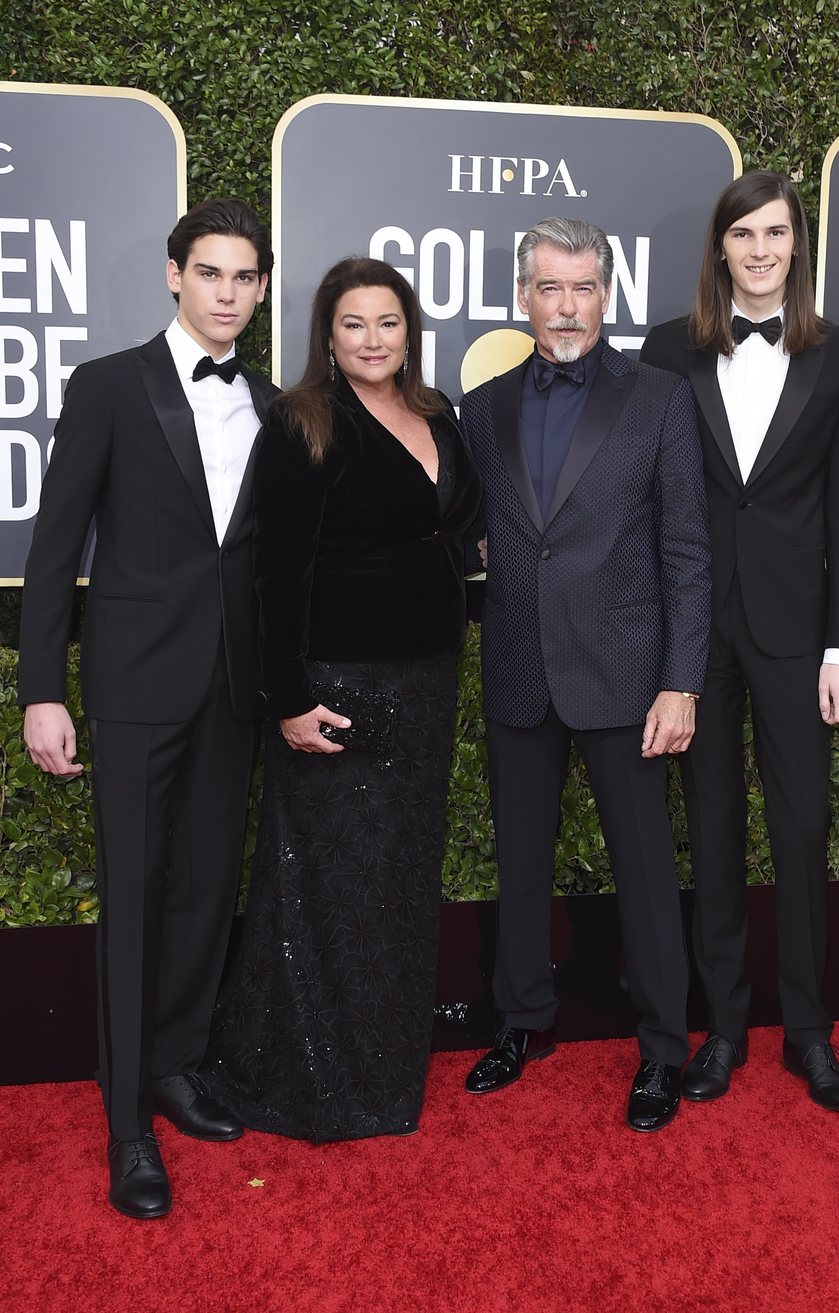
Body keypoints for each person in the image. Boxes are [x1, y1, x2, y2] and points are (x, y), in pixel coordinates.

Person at [18, 199, 277, 1218]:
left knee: (204, 891)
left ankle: (177, 1064)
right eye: (210, 272)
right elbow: (54, 549)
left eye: (244, 276)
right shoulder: (108, 386)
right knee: (131, 898)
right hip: (131, 689)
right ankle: (127, 1124)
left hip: (231, 688)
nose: (226, 291)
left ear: (259, 289)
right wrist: (43, 688)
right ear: (174, 275)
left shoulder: (265, 398)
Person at [203, 257, 482, 1141]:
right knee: (327, 888)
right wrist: (288, 697)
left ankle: (384, 1068)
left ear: (410, 331)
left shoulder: (439, 413)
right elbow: (275, 571)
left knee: (398, 884)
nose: (373, 340)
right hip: (338, 688)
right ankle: (308, 1081)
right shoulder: (301, 422)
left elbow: (456, 525)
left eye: (388, 323)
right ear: (327, 334)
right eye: (354, 324)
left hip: (428, 680)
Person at [459, 217, 712, 1132]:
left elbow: (687, 549)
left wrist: (681, 680)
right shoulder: (480, 408)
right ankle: (522, 1018)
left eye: (584, 288)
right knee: (519, 859)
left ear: (608, 295)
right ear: (523, 296)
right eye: (550, 288)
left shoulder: (659, 398)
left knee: (644, 869)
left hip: (626, 671)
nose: (567, 306)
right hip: (522, 663)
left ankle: (661, 1049)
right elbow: (467, 524)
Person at [640, 170, 839, 1112]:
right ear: (721, 248)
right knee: (715, 828)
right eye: (744, 234)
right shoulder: (667, 352)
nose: (762, 249)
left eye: (776, 232)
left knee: (802, 826)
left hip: (793, 634)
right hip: (696, 629)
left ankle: (811, 1034)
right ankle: (726, 1030)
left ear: (796, 245)